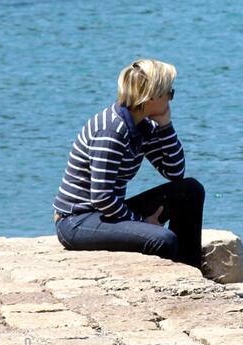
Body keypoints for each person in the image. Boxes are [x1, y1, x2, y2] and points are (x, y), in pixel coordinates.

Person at [52, 59, 206, 268]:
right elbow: (101, 197)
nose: (171, 98)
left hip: (107, 212)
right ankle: (171, 283)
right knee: (163, 239)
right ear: (152, 95)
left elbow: (174, 172)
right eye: (169, 93)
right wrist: (143, 223)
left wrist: (165, 126)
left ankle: (191, 271)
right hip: (77, 221)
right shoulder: (112, 131)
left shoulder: (142, 125)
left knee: (190, 190)